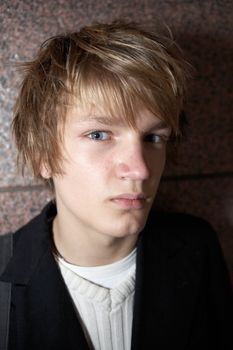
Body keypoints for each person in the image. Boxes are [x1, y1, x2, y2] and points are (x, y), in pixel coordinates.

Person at [0, 20, 232, 350]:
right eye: (98, 135)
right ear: (43, 154)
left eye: (154, 137)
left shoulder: (198, 248)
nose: (139, 169)